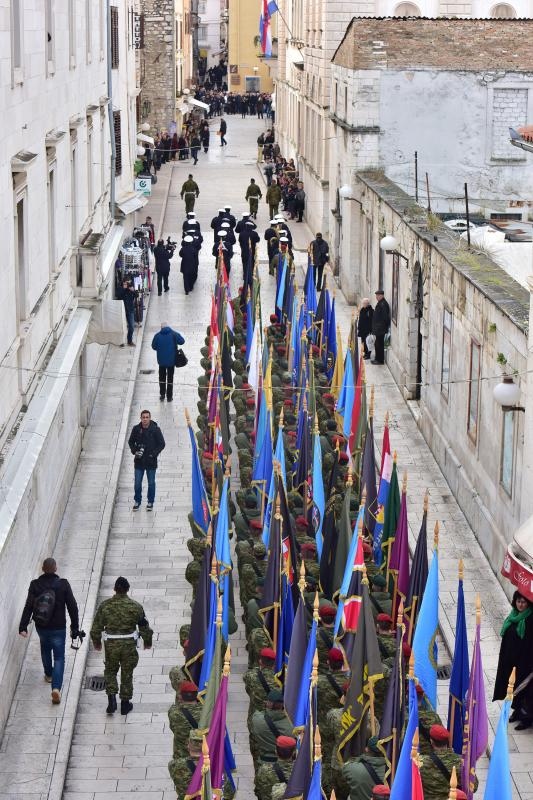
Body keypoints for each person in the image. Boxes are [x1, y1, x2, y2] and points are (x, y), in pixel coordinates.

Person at [19, 557, 79, 705]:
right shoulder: (63, 584)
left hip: (42, 627)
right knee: (59, 658)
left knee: (45, 648)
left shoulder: (35, 585)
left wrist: (23, 626)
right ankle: (56, 688)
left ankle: (48, 674)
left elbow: (28, 606)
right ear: (56, 568)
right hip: (59, 628)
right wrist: (75, 627)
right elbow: (72, 606)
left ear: (42, 569)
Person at [90, 576, 153, 716]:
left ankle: (111, 700)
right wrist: (147, 642)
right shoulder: (136, 607)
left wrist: (97, 642)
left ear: (114, 589)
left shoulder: (105, 606)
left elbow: (96, 628)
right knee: (127, 673)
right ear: (127, 589)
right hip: (128, 646)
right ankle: (125, 704)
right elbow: (144, 627)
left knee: (110, 671)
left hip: (111, 646)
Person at [493, 590, 533, 729]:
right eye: (518, 601)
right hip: (511, 661)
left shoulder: (530, 619)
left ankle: (526, 719)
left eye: (523, 602)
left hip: (525, 663)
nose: (520, 605)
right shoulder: (513, 615)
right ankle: (516, 712)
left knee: (524, 690)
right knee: (513, 688)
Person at [127, 409, 166, 510]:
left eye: (147, 417)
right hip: (139, 461)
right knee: (137, 483)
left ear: (150, 418)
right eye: (143, 417)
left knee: (151, 483)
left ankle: (150, 502)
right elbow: (130, 442)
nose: (145, 419)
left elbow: (162, 444)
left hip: (151, 461)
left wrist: (154, 454)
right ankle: (137, 501)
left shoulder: (156, 429)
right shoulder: (136, 429)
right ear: (140, 418)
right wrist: (135, 451)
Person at [151, 322, 185, 402]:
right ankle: (169, 397)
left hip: (161, 361)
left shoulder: (157, 336)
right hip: (171, 362)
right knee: (170, 378)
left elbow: (153, 346)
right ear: (168, 327)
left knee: (161, 378)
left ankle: (162, 394)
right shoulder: (173, 334)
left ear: (161, 328)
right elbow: (182, 341)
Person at [371, 289, 390, 365]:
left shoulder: (383, 304)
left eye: (378, 295)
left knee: (379, 345)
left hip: (380, 329)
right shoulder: (380, 303)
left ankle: (380, 360)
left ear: (382, 295)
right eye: (376, 295)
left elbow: (385, 318)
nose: (376, 297)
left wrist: (381, 326)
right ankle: (377, 358)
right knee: (377, 344)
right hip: (378, 328)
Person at [116, 279, 136, 346]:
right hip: (122, 310)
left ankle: (129, 341)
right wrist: (124, 289)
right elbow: (118, 295)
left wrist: (133, 290)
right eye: (125, 284)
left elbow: (136, 295)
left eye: (127, 284)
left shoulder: (130, 289)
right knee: (121, 327)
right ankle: (121, 342)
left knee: (131, 327)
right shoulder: (120, 289)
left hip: (130, 310)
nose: (126, 285)